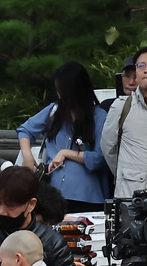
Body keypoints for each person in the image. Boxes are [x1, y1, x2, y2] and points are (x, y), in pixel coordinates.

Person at [17, 63, 111, 208]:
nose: (60, 96)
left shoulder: (99, 117)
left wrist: (65, 153)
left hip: (87, 197)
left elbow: (99, 159)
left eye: (63, 92)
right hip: (52, 195)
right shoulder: (53, 110)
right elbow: (25, 130)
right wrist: (27, 156)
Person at [99, 46, 147, 197]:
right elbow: (108, 148)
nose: (146, 70)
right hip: (130, 195)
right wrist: (127, 173)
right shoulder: (121, 106)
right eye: (141, 66)